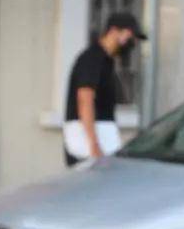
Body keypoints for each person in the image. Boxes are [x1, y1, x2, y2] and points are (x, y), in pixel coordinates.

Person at [63, 12, 147, 167]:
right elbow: (85, 99)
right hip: (90, 143)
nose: (133, 42)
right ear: (114, 31)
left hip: (101, 137)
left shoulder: (106, 61)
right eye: (130, 36)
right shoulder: (92, 58)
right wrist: (94, 145)